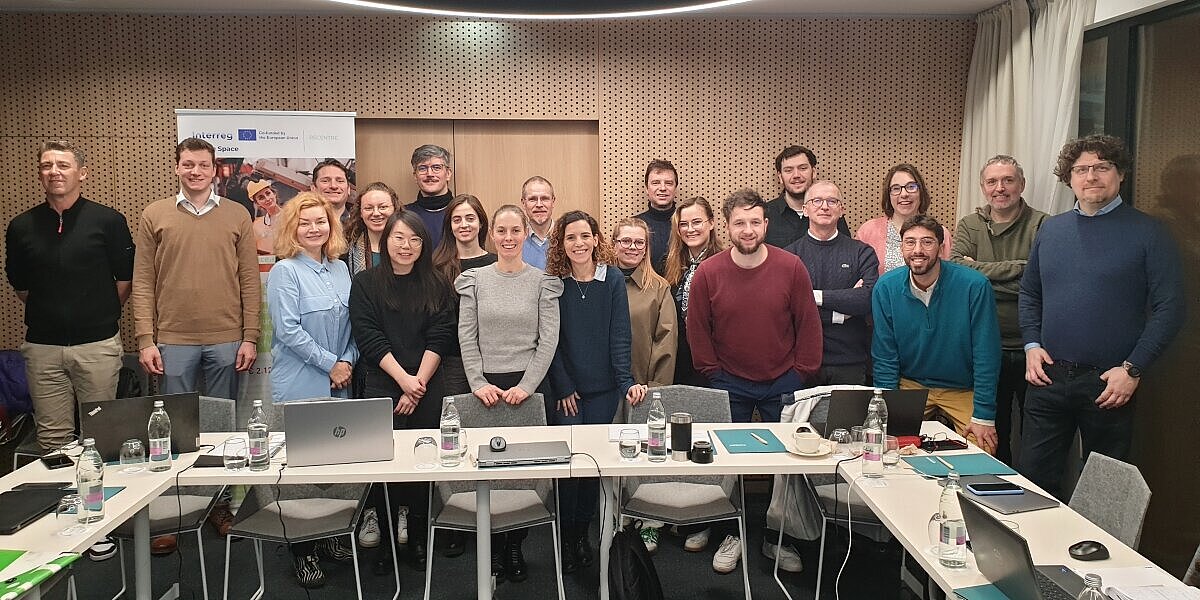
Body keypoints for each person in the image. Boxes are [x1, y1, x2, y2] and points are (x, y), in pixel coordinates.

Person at [1018, 134, 1184, 500]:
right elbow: (1031, 293)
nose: (1091, 176)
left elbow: (1171, 307)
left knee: (1106, 494)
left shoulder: (1149, 232)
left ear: (1120, 173)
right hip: (1047, 377)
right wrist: (1031, 344)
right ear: (1070, 178)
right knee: (1032, 484)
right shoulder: (1052, 230)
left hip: (1112, 384)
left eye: (1101, 167)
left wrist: (1133, 369)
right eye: (1081, 169)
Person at [686, 189, 822, 574]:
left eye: (754, 222)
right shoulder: (709, 272)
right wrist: (714, 373)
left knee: (788, 468)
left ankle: (778, 538)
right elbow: (697, 329)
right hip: (729, 383)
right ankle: (731, 532)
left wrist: (800, 373)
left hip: (783, 381)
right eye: (739, 223)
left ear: (766, 224)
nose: (748, 230)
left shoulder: (791, 267)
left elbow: (808, 326)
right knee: (725, 466)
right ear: (727, 227)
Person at [455, 204, 562, 583]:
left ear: (524, 233)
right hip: (484, 387)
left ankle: (516, 543)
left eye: (515, 230)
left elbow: (548, 340)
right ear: (492, 234)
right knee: (489, 471)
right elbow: (466, 336)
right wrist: (478, 383)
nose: (508, 237)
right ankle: (495, 546)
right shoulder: (475, 279)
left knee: (523, 473)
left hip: (528, 387)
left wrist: (526, 387)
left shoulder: (542, 281)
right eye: (501, 230)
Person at [5, 141, 133, 453]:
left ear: (82, 173)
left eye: (63, 165)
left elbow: (125, 279)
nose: (54, 172)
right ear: (40, 174)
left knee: (100, 438)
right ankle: (59, 502)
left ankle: (104, 503)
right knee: (52, 442)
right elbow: (21, 286)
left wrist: (94, 313)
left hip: (97, 347)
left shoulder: (108, 221)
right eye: (47, 166)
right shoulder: (21, 227)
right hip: (43, 350)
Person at [351, 211, 457, 575]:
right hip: (383, 384)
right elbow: (368, 337)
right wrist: (403, 381)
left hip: (426, 384)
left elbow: (442, 334)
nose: (406, 246)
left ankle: (417, 540)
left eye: (414, 239)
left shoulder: (438, 283)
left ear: (423, 244)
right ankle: (384, 538)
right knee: (385, 466)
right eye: (399, 238)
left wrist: (417, 384)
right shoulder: (365, 283)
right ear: (385, 241)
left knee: (423, 464)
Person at [265, 192, 359, 587]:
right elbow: (287, 331)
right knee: (302, 471)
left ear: (331, 226)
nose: (315, 228)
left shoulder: (340, 269)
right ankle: (303, 549)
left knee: (338, 464)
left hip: (342, 380)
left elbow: (354, 324)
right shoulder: (285, 271)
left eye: (321, 221)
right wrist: (331, 364)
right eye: (306, 223)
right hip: (302, 381)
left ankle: (331, 534)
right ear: (292, 228)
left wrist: (349, 361)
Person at [546, 210, 645, 573]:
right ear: (561, 243)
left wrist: (626, 382)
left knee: (591, 467)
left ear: (596, 239)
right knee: (567, 468)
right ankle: (565, 538)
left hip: (604, 391)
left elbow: (620, 335)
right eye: (571, 237)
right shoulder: (553, 282)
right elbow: (549, 341)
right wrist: (564, 385)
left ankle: (579, 536)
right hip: (567, 392)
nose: (578, 243)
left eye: (585, 236)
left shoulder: (613, 279)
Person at [131, 137, 259, 400]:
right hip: (172, 338)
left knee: (223, 422)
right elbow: (143, 281)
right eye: (188, 164)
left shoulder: (238, 215)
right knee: (178, 424)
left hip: (228, 338)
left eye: (203, 165)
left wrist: (250, 337)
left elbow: (249, 280)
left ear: (214, 170)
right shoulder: (154, 214)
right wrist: (145, 339)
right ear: (177, 168)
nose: (195, 172)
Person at [872, 215, 1000, 452]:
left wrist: (984, 415)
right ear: (901, 247)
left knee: (983, 450)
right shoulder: (886, 287)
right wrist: (885, 412)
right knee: (889, 449)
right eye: (910, 242)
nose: (917, 250)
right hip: (912, 386)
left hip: (962, 388)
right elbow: (885, 356)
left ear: (942, 248)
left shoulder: (975, 286)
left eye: (927, 242)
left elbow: (987, 354)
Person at [951, 155, 1048, 465]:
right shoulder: (969, 224)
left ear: (1021, 184)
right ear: (983, 187)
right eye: (992, 182)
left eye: (1008, 180)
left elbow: (1043, 283)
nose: (1000, 188)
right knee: (993, 435)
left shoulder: (1043, 225)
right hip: (983, 349)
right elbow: (957, 276)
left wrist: (980, 275)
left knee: (1039, 437)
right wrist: (1021, 270)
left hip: (1034, 349)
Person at [783, 180, 878, 386]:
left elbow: (867, 300)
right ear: (805, 210)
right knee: (801, 420)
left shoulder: (862, 252)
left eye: (832, 201)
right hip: (801, 362)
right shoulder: (788, 256)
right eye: (817, 201)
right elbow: (788, 309)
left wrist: (813, 296)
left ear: (842, 209)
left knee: (848, 420)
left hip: (851, 362)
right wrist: (842, 312)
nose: (824, 207)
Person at [663, 197, 724, 389]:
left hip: (715, 360)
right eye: (684, 224)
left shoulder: (726, 263)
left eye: (697, 222)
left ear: (711, 223)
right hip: (677, 359)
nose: (690, 229)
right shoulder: (666, 265)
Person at [611, 217, 677, 391]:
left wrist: (657, 389)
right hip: (602, 388)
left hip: (642, 387)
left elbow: (666, 344)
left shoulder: (659, 288)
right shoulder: (598, 283)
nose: (633, 247)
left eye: (639, 242)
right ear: (614, 244)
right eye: (626, 241)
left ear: (646, 248)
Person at [856, 164, 951, 273]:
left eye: (911, 187)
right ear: (888, 195)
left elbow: (947, 276)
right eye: (896, 188)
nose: (904, 194)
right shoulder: (868, 231)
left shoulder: (940, 233)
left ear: (921, 192)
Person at [764, 146, 850, 248]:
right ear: (780, 177)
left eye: (803, 168)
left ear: (813, 172)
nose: (796, 175)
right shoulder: (765, 213)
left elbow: (845, 250)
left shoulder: (829, 212)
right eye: (788, 170)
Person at [432, 193, 497, 284]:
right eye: (457, 220)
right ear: (450, 226)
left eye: (470, 219)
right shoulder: (438, 267)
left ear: (481, 223)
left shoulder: (496, 264)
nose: (463, 225)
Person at [632, 160, 680, 274]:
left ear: (675, 189)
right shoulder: (634, 225)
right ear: (647, 189)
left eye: (668, 183)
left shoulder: (686, 224)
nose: (662, 188)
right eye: (656, 183)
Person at [345, 181, 401, 276]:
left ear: (395, 209)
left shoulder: (408, 246)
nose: (376, 213)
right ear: (361, 213)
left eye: (383, 207)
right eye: (368, 208)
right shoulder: (346, 249)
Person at [407, 145, 454, 248]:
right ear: (415, 175)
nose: (429, 174)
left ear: (448, 174)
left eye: (436, 168)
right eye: (423, 168)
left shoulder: (461, 212)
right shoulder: (405, 215)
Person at [520, 176, 556, 270]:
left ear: (553, 202)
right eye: (533, 199)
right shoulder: (515, 240)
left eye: (545, 199)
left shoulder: (566, 237)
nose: (539, 205)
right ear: (524, 203)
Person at [311, 159, 353, 228]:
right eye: (325, 181)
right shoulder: (297, 226)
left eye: (340, 181)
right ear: (313, 188)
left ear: (348, 189)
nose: (333, 186)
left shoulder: (361, 227)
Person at [247, 179, 281, 255]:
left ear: (274, 193)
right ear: (257, 203)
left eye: (268, 193)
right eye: (261, 198)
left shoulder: (291, 216)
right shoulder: (256, 225)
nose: (267, 199)